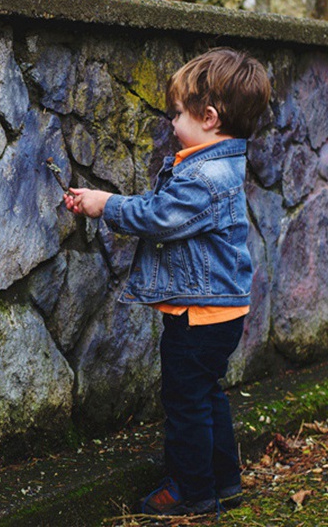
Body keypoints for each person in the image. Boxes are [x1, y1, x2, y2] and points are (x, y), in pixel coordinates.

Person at [64, 47, 271, 516]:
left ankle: (192, 493)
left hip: (201, 316)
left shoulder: (207, 176)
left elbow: (160, 216)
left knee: (185, 402)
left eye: (178, 113)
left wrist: (106, 204)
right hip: (214, 311)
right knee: (205, 393)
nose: (171, 123)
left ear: (210, 117)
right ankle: (225, 481)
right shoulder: (214, 165)